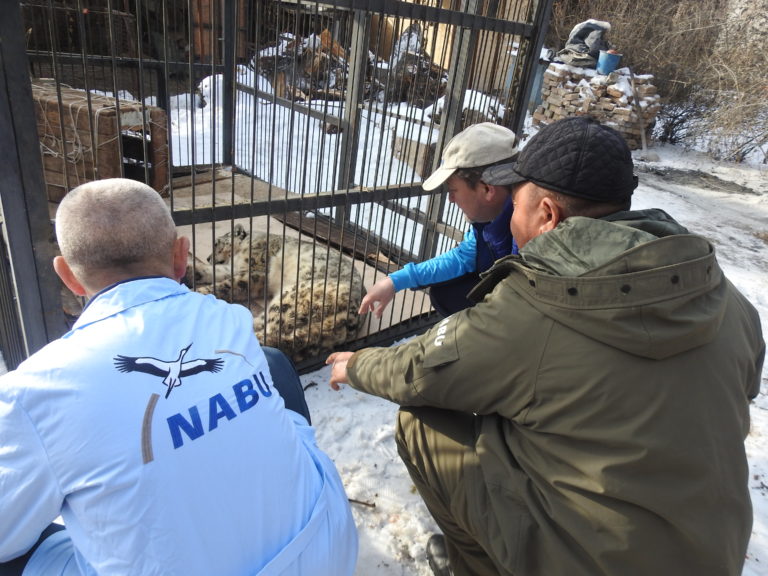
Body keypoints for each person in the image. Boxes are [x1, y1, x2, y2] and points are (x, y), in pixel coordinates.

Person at [328, 116, 765, 576]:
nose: (510, 213)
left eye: (517, 201)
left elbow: (421, 369)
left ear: (548, 215)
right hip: (714, 549)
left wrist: (357, 365)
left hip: (595, 560)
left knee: (421, 423)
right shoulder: (728, 298)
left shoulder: (538, 303)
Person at [0, 179, 358, 576]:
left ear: (67, 275)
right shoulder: (231, 319)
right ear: (181, 256)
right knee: (271, 363)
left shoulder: (32, 391)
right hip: (331, 550)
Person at [358, 122, 518, 318]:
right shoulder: (491, 217)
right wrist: (395, 281)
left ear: (487, 189)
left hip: (530, 322)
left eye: (453, 191)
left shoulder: (532, 233)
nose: (450, 200)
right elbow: (464, 257)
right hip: (511, 302)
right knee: (447, 292)